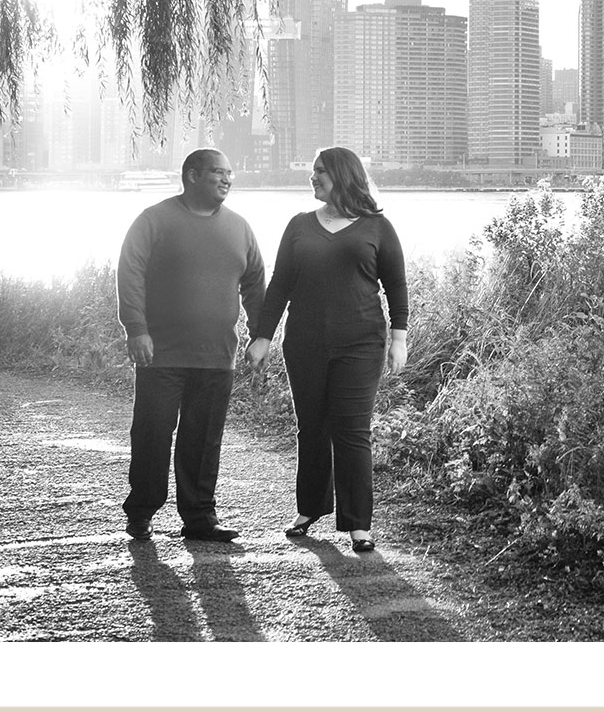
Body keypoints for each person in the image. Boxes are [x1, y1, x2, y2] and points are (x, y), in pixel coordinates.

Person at [246, 146, 408, 553]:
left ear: (343, 175)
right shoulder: (299, 225)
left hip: (361, 343)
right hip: (304, 342)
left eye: (320, 171)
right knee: (312, 427)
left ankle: (358, 524)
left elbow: (396, 284)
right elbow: (280, 284)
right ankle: (310, 508)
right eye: (313, 170)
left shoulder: (377, 227)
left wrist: (399, 338)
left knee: (352, 431)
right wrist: (263, 337)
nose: (313, 177)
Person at [117, 148, 266, 542]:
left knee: (203, 440)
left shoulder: (240, 227)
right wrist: (136, 329)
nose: (227, 179)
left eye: (230, 173)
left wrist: (260, 335)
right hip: (161, 352)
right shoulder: (154, 220)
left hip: (217, 354)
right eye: (218, 172)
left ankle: (200, 517)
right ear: (192, 176)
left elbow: (255, 283)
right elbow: (130, 274)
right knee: (152, 435)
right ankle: (141, 512)